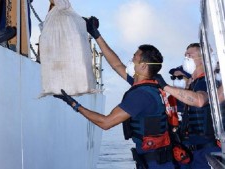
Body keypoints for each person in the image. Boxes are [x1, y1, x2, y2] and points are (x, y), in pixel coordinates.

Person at [54, 16, 175, 169]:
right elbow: (116, 65)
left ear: (143, 66)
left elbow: (106, 123)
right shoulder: (149, 85)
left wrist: (74, 105)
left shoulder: (141, 95)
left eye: (134, 58)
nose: (131, 61)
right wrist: (96, 34)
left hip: (155, 164)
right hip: (155, 160)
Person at [155, 43, 221, 169]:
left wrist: (165, 86)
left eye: (190, 55)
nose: (186, 58)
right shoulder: (193, 84)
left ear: (204, 58)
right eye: (185, 55)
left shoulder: (207, 81)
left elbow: (201, 100)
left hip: (207, 152)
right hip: (189, 153)